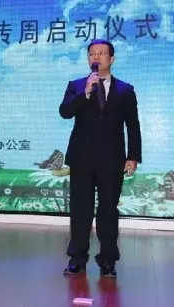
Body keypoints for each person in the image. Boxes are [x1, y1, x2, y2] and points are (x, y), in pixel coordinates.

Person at [59, 39, 141, 278]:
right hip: (82, 158)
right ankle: (77, 259)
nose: (96, 57)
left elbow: (132, 125)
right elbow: (65, 112)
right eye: (91, 54)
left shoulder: (125, 90)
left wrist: (133, 156)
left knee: (108, 211)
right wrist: (85, 93)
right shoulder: (76, 86)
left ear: (111, 58)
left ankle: (108, 260)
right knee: (80, 210)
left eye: (101, 53)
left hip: (112, 160)